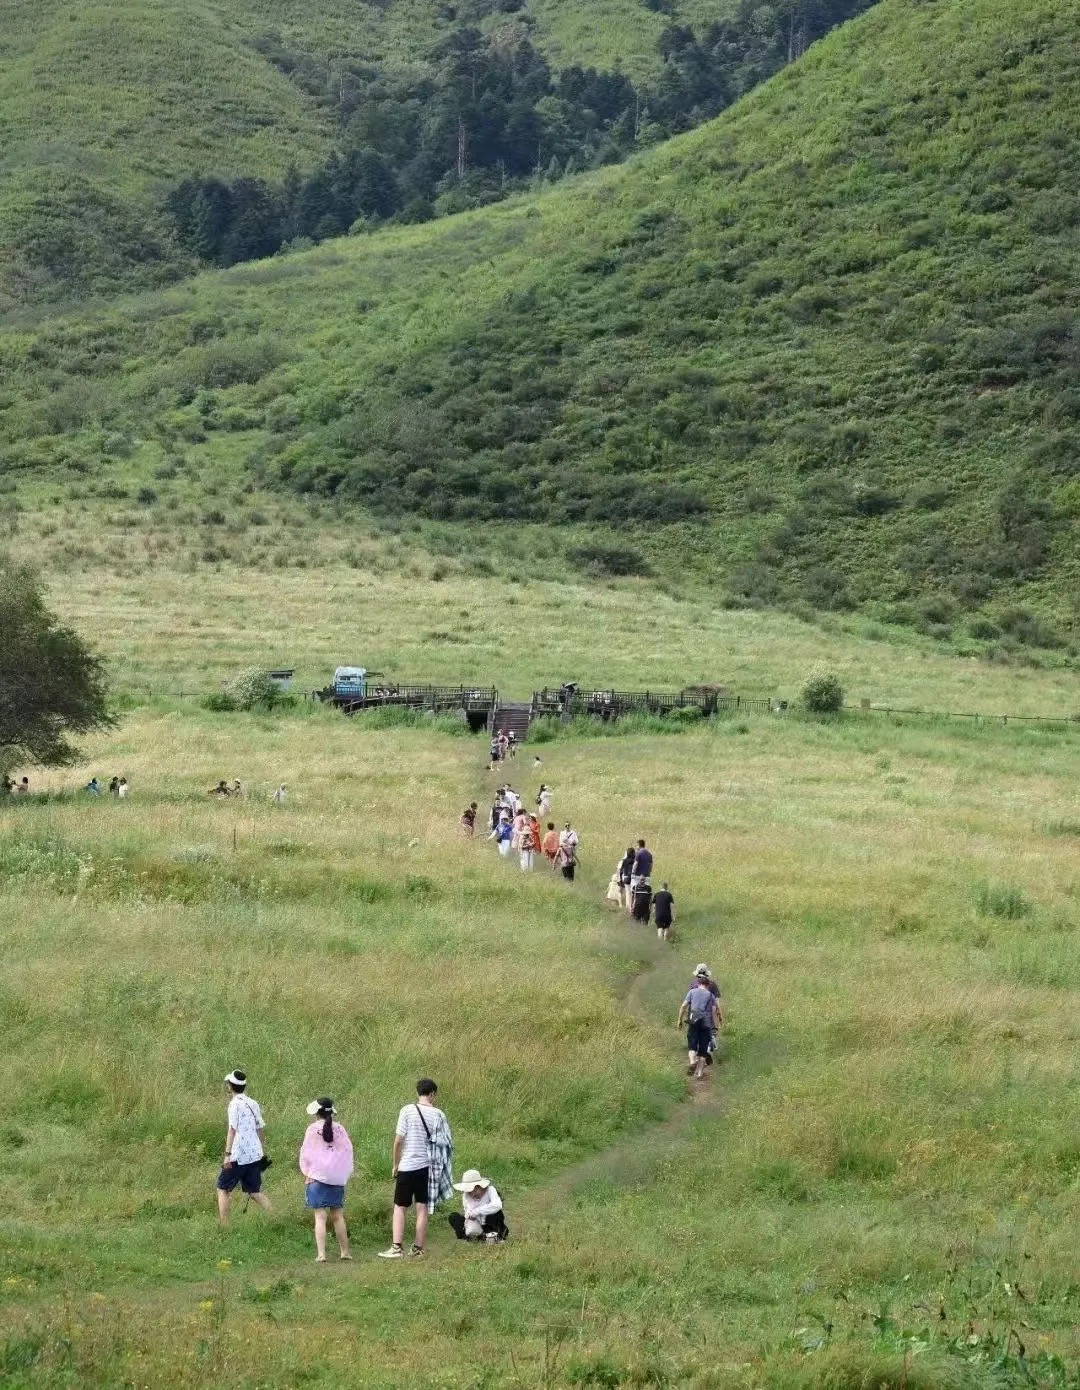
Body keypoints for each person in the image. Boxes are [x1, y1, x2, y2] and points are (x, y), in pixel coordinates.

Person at [379, 1078, 453, 1259]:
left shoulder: (407, 1110)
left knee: (400, 1207)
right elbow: (446, 1144)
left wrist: (395, 1164)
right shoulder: (439, 1115)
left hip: (407, 1166)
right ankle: (418, 1249)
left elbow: (398, 1141)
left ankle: (397, 1248)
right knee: (422, 1208)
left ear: (418, 1092)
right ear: (432, 1094)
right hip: (428, 1168)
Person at [299, 1098, 354, 1262]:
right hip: (336, 1178)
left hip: (317, 1176)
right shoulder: (340, 1129)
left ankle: (321, 1254)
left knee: (320, 1217)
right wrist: (342, 1173)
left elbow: (306, 1153)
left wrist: (307, 1172)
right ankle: (345, 1252)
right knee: (338, 1216)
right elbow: (347, 1151)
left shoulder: (312, 1129)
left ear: (317, 1112)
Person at [217, 1070, 271, 1224]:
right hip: (254, 1154)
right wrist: (261, 1151)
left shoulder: (234, 1105)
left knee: (222, 1188)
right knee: (254, 1191)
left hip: (239, 1155)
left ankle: (224, 1225)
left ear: (230, 1086)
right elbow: (260, 1129)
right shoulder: (253, 1103)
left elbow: (232, 1130)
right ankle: (273, 1215)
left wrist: (227, 1155)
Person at [678, 970, 720, 1080]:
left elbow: (683, 1006)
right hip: (706, 1023)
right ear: (707, 985)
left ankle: (692, 1062)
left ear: (698, 983)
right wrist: (715, 1026)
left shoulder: (692, 992)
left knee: (692, 1046)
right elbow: (713, 1011)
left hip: (694, 1021)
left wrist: (680, 1020)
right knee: (703, 1051)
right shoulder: (710, 996)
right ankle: (700, 1074)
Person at [448, 1169, 508, 1243]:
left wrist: (477, 1211)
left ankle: (495, 1236)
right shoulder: (466, 1195)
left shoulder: (490, 1190)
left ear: (480, 1186)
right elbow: (467, 1211)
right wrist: (469, 1217)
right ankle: (475, 1237)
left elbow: (497, 1205)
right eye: (469, 1192)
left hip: (490, 1222)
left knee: (494, 1214)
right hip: (477, 1223)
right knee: (453, 1217)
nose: (472, 1194)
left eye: (475, 1190)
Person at [617, 846, 636, 911]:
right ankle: (632, 907)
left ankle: (628, 908)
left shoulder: (624, 861)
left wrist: (620, 879)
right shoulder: (634, 861)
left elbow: (621, 871)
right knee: (633, 893)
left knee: (628, 893)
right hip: (633, 878)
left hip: (626, 878)